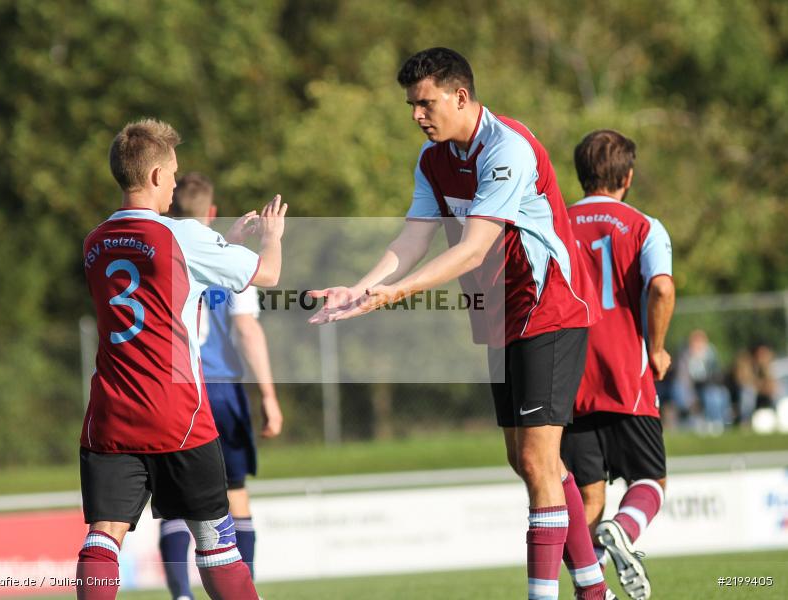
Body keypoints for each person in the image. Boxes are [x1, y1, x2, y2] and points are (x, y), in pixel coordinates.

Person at [309, 48, 610, 600]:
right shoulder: (432, 160)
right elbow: (413, 239)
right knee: (527, 460)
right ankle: (596, 591)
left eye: (426, 103)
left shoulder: (508, 150)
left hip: (550, 309)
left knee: (538, 460)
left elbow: (473, 250)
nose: (418, 115)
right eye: (412, 106)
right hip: (500, 318)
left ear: (460, 97)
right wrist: (361, 287)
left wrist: (395, 294)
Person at [76, 118, 287, 600]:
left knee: (102, 537)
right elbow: (269, 274)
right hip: (178, 413)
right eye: (172, 172)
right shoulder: (181, 235)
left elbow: (165, 287)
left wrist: (222, 246)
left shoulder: (94, 242)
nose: (174, 181)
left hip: (111, 413)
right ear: (154, 176)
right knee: (215, 542)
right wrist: (271, 235)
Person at [561, 129, 676, 600]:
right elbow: (662, 288)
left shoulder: (554, 223)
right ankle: (624, 533)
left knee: (585, 499)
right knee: (650, 481)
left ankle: (595, 589)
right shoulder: (645, 225)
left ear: (580, 174)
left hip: (566, 378)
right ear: (627, 176)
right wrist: (658, 348)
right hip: (625, 374)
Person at [158, 173, 284, 600]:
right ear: (211, 212)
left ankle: (181, 595)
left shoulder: (163, 256)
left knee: (173, 501)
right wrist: (268, 395)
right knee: (234, 494)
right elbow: (246, 330)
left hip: (176, 387)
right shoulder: (232, 259)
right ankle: (244, 592)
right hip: (223, 392)